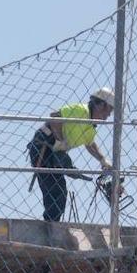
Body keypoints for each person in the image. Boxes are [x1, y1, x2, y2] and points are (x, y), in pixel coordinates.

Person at [28, 87, 114, 222]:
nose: (109, 114)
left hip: (54, 150)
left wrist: (102, 159)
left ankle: (51, 222)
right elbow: (55, 116)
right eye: (109, 109)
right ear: (100, 104)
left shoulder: (90, 126)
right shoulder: (81, 111)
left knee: (58, 191)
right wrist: (59, 139)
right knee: (56, 190)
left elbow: (90, 144)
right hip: (44, 146)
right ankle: (51, 225)